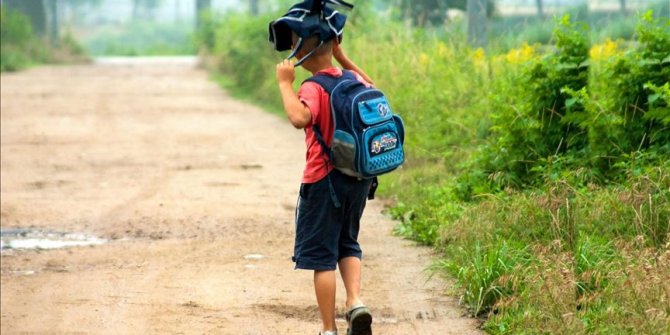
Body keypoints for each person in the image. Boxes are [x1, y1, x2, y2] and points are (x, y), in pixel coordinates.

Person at [275, 30, 376, 335]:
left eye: (294, 46)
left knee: (322, 258)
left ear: (302, 53)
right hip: (357, 178)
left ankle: (328, 328)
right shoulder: (351, 79)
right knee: (348, 242)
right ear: (332, 45)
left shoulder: (313, 87)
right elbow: (373, 89)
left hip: (323, 182)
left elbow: (299, 118)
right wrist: (343, 57)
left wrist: (284, 83)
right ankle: (355, 301)